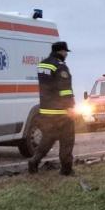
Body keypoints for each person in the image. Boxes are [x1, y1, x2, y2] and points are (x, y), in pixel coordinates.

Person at [28, 41, 76, 176]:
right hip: (61, 112)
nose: (66, 54)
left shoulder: (42, 65)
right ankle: (66, 170)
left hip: (46, 110)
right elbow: (65, 89)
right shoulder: (60, 66)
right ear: (61, 51)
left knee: (48, 139)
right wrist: (70, 107)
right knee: (67, 140)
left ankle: (34, 161)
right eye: (65, 52)